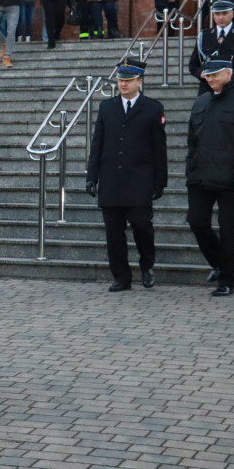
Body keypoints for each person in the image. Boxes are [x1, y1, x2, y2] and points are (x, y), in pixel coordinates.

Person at [86, 59, 167, 293]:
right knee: (114, 232)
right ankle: (121, 277)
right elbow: (97, 144)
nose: (123, 84)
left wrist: (160, 180)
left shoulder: (153, 108)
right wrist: (92, 176)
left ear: (139, 82)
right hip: (111, 179)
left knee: (142, 226)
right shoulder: (107, 107)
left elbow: (159, 148)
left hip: (139, 180)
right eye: (121, 80)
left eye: (128, 81)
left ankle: (146, 265)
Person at [186, 59, 234, 297]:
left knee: (229, 232)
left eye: (216, 75)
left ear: (229, 73)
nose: (210, 79)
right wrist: (191, 169)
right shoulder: (201, 102)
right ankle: (219, 264)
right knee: (197, 222)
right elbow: (192, 141)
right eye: (208, 75)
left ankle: (226, 280)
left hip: (230, 178)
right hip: (200, 176)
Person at [189, 0, 234, 94]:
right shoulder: (204, 35)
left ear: (232, 14)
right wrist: (202, 73)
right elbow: (193, 65)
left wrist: (230, 75)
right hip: (207, 90)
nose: (221, 17)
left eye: (225, 13)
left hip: (233, 88)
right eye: (217, 14)